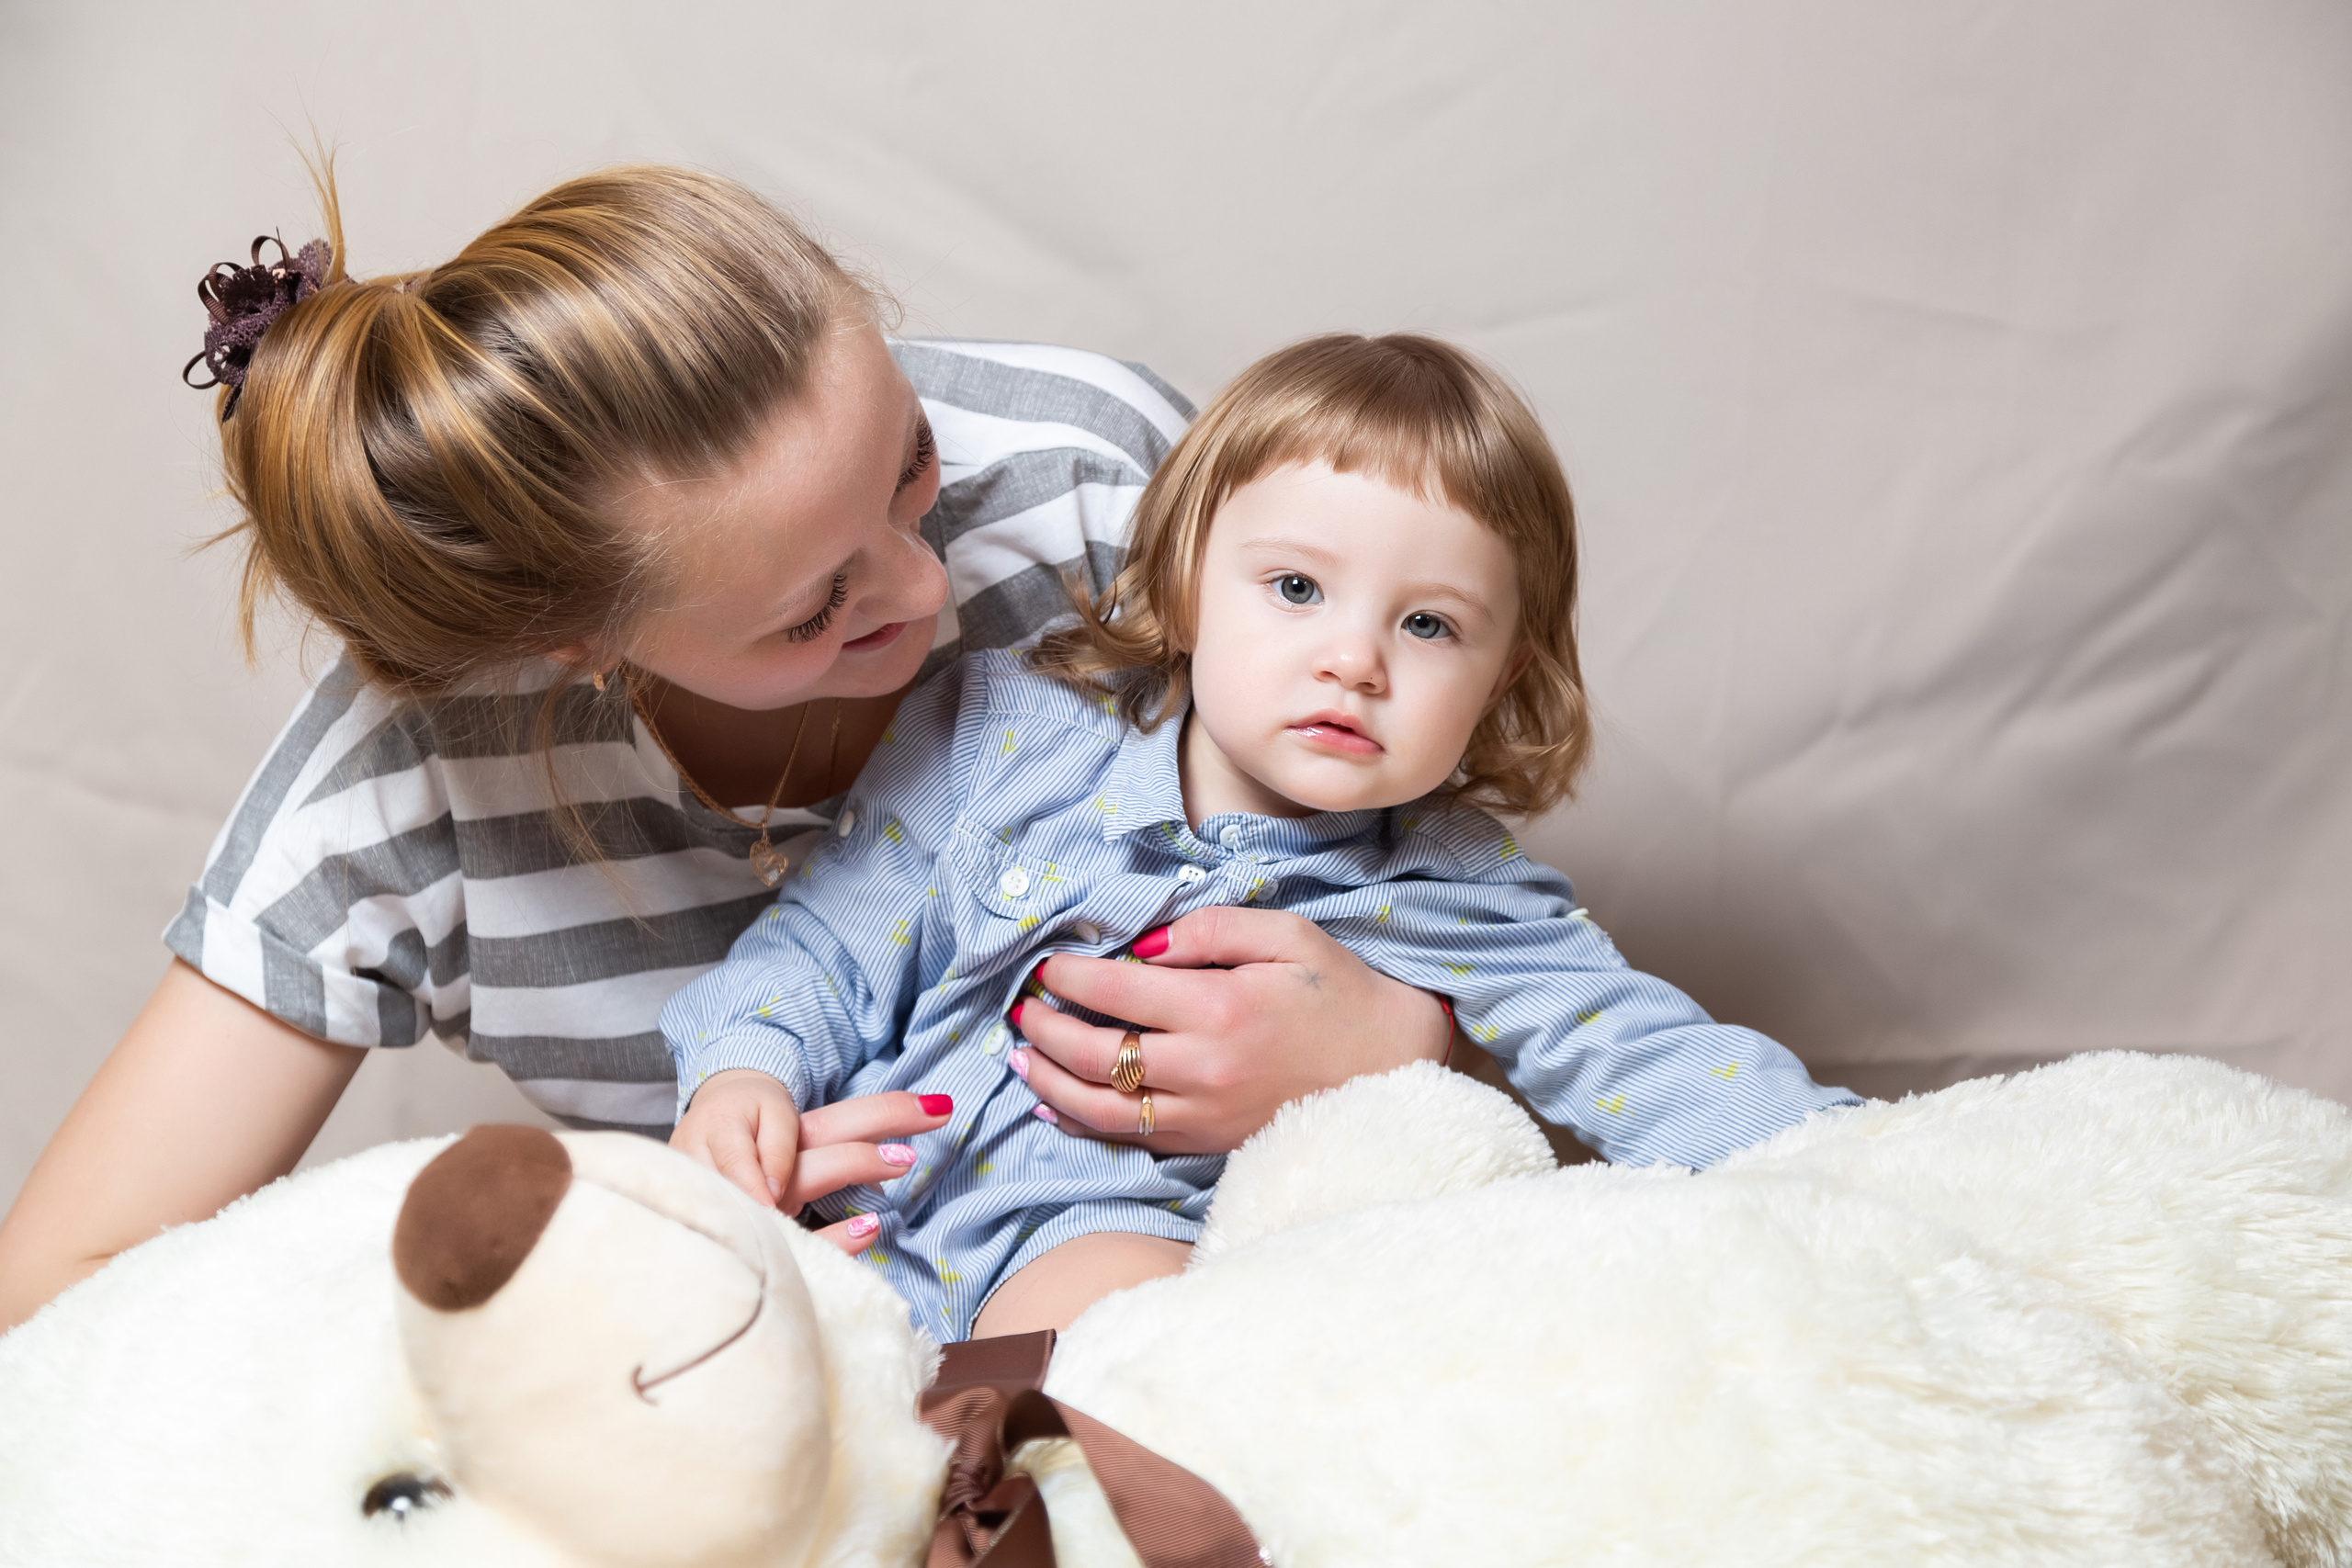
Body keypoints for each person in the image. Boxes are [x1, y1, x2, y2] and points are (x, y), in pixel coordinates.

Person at [0, 166, 1461, 1334]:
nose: (925, 586)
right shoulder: (406, 785)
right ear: (575, 647)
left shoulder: (1097, 493)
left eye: (911, 466)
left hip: (1240, 1309)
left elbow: (1486, 922)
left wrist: (1400, 1041)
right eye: (819, 609)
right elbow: (56, 1303)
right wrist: (655, 1250)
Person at [662, 333, 1860, 1342]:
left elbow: (1647, 1056)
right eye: (1297, 589)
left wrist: (1864, 1177)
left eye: (1432, 624)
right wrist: (742, 1077)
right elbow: (826, 944)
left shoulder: (1456, 888)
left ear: (1503, 680)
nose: (1355, 658)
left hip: (1090, 1241)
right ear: (1186, 585)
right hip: (847, 1207)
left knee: (1124, 1348)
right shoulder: (1003, 735)